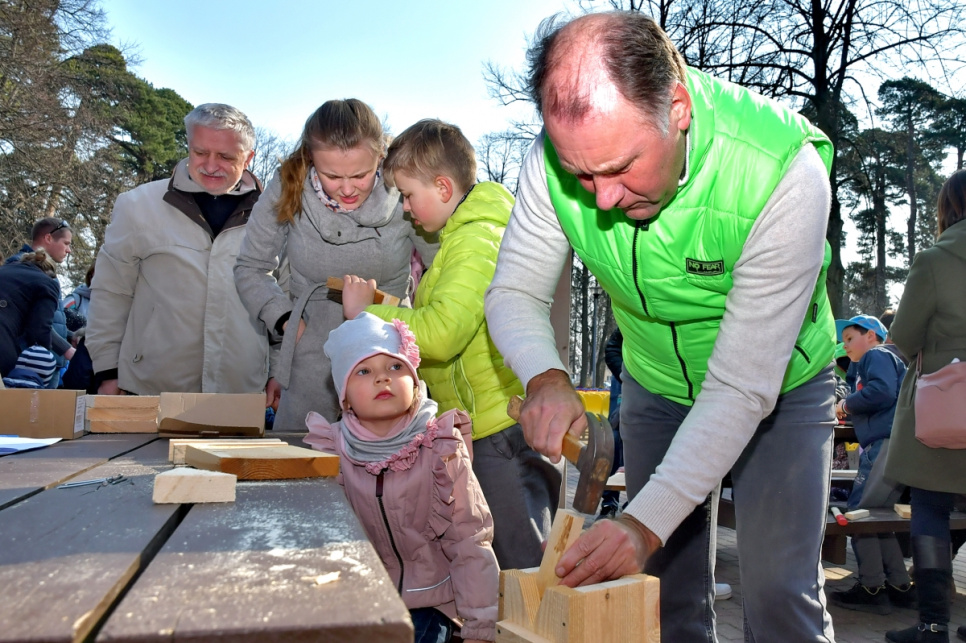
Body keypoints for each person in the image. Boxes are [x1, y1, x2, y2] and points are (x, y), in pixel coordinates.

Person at [484, 12, 838, 642]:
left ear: (677, 108)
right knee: (662, 596)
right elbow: (513, 290)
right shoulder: (553, 159)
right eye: (582, 174)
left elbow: (740, 387)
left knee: (780, 596)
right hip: (655, 380)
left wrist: (645, 521)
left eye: (622, 167)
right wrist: (545, 376)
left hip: (780, 388)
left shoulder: (782, 172)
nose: (602, 199)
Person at [340, 119, 561, 569]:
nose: (405, 208)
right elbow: (448, 313)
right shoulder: (462, 238)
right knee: (497, 568)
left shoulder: (477, 240)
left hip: (503, 435)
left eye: (408, 195)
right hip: (487, 428)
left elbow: (443, 333)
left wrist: (369, 314)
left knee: (523, 572)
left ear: (442, 187)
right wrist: (388, 305)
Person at [234, 99, 438, 431]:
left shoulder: (405, 188)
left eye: (360, 175)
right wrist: (286, 321)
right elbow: (251, 266)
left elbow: (442, 268)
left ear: (380, 157)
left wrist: (426, 328)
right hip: (310, 356)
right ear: (310, 159)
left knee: (394, 456)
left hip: (389, 353)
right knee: (303, 454)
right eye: (331, 175)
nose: (347, 188)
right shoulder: (287, 186)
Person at [303, 313, 497, 643]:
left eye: (395, 366)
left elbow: (470, 538)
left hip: (431, 603)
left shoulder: (441, 447)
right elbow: (320, 543)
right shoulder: (331, 450)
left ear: (415, 380)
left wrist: (481, 625)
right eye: (364, 371)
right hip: (361, 603)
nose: (383, 378)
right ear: (343, 396)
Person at [86, 103, 269, 396]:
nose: (211, 166)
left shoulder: (275, 216)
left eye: (225, 156)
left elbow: (286, 296)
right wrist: (107, 370)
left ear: (248, 157)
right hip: (148, 389)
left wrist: (278, 374)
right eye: (200, 152)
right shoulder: (137, 205)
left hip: (242, 393)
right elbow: (111, 292)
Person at [883, 170, 966, 643]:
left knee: (931, 508)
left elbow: (905, 335)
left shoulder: (935, 259)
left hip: (944, 402)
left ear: (949, 207)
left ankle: (933, 624)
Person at [828, 314, 912, 614]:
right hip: (895, 443)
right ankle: (899, 585)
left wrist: (845, 404)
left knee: (858, 512)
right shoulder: (879, 361)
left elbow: (881, 392)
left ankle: (871, 586)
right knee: (879, 518)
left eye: (850, 338)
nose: (846, 345)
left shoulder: (876, 355)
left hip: (883, 444)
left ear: (872, 336)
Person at [5, 218, 75, 386]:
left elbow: (51, 319)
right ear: (48, 238)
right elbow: (37, 324)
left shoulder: (45, 272)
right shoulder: (21, 268)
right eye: (66, 243)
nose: (69, 250)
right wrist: (66, 349)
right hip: (29, 365)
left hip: (50, 361)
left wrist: (72, 336)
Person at [0, 251, 60, 377]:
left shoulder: (4, 270)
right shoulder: (46, 283)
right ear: (50, 273)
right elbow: (40, 329)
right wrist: (43, 361)